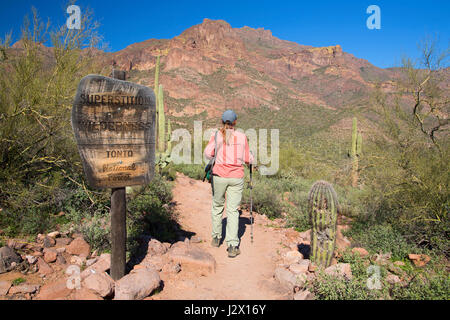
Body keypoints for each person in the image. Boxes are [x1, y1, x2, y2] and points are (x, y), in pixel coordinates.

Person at [204, 110, 254, 258]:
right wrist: (251, 158)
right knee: (233, 210)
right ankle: (232, 245)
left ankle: (216, 237)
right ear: (235, 122)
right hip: (236, 177)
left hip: (219, 175)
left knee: (217, 205)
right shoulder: (242, 136)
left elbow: (208, 153)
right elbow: (247, 158)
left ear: (222, 121)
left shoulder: (217, 135)